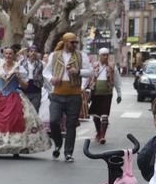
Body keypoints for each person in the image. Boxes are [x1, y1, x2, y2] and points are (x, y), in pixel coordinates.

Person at [0, 47, 51, 157]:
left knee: (15, 120)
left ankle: (16, 146)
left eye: (10, 54)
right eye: (6, 54)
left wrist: (19, 77)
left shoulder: (19, 68)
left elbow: (25, 86)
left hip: (14, 96)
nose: (8, 56)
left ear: (14, 55)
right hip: (0, 97)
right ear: (3, 55)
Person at [43, 32, 91, 162]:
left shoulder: (82, 56)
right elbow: (45, 71)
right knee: (54, 121)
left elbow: (90, 72)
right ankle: (58, 144)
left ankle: (68, 153)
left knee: (71, 125)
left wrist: (78, 72)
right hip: (57, 94)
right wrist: (51, 78)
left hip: (74, 95)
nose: (75, 44)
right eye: (72, 42)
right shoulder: (54, 55)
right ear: (65, 42)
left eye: (76, 42)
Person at [86, 48, 121, 144]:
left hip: (107, 94)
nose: (106, 57)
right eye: (103, 55)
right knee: (96, 116)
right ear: (99, 56)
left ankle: (102, 136)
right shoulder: (93, 65)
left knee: (105, 116)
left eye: (107, 55)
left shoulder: (112, 66)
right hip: (95, 94)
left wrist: (119, 94)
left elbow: (117, 80)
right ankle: (98, 132)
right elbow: (88, 77)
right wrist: (83, 88)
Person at [18, 45, 44, 112]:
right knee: (24, 111)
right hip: (24, 90)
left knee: (34, 111)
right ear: (28, 53)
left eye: (35, 51)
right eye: (31, 51)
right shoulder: (21, 62)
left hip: (36, 90)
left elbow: (45, 76)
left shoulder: (41, 63)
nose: (33, 53)